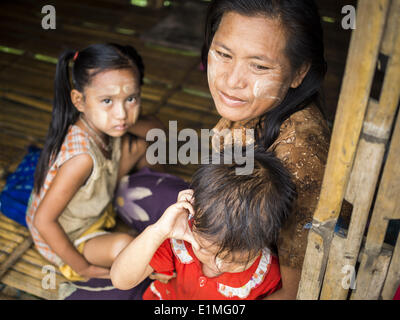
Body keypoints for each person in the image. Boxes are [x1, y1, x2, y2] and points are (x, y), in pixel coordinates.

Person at [200, 0, 347, 299]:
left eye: (259, 66)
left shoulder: (301, 160)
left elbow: (296, 292)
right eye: (223, 54)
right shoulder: (251, 106)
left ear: (299, 72)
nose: (231, 80)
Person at [26, 43, 163, 282]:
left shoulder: (106, 123)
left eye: (130, 98)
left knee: (147, 147)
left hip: (98, 198)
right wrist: (83, 268)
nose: (121, 113)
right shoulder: (81, 159)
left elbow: (158, 131)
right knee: (125, 246)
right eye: (107, 101)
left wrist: (127, 121)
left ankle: (156, 203)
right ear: (79, 101)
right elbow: (43, 221)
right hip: (72, 236)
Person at [111, 151, 297, 300]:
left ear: (266, 239)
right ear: (193, 212)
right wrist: (158, 230)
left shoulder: (267, 276)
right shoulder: (177, 243)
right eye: (206, 250)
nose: (218, 265)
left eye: (236, 261)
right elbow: (121, 280)